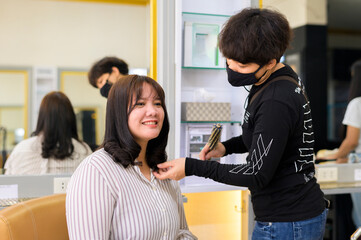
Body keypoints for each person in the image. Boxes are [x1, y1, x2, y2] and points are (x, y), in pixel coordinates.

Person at [154, 8, 328, 239]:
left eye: (242, 66)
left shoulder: (277, 99)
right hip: (289, 214)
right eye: (229, 61)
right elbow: (264, 136)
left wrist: (191, 167)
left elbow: (256, 173)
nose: (233, 69)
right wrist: (225, 147)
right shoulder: (275, 77)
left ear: (269, 62)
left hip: (288, 222)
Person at [66, 75, 196, 240]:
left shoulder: (163, 169)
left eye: (157, 104)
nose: (153, 111)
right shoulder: (96, 171)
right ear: (119, 113)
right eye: (140, 104)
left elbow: (182, 233)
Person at [318, 59, 361, 228]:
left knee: (359, 217)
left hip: (357, 168)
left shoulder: (357, 104)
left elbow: (351, 141)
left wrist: (334, 155)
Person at [4, 91, 91, 175]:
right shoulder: (84, 150)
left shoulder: (21, 149)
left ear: (42, 117)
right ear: (71, 118)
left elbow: (8, 185)